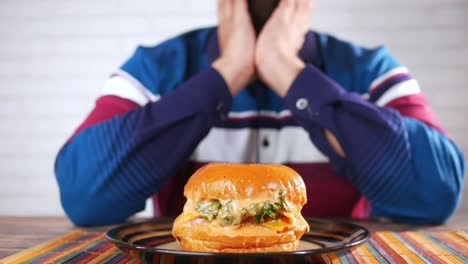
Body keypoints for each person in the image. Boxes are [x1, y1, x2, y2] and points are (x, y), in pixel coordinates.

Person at [55, 0, 465, 226]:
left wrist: (287, 72)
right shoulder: (154, 67)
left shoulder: (371, 69)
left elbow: (437, 193)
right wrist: (227, 74)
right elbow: (84, 197)